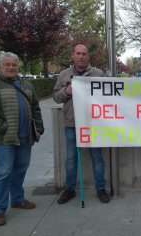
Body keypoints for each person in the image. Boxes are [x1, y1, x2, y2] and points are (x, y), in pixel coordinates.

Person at [0, 52, 44, 226]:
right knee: (3, 173)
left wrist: (39, 127)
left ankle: (17, 199)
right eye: (6, 64)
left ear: (18, 66)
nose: (10, 67)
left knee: (20, 170)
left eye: (13, 65)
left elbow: (36, 108)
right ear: (0, 66)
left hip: (26, 138)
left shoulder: (28, 85)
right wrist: (3, 127)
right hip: (5, 140)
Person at [53, 44, 110, 204]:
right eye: (78, 53)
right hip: (72, 124)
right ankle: (69, 189)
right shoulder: (64, 75)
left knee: (97, 158)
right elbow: (56, 97)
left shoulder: (98, 74)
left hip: (93, 124)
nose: (81, 56)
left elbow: (109, 96)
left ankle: (101, 189)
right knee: (71, 159)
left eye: (84, 53)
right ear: (73, 56)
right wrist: (66, 91)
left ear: (88, 56)